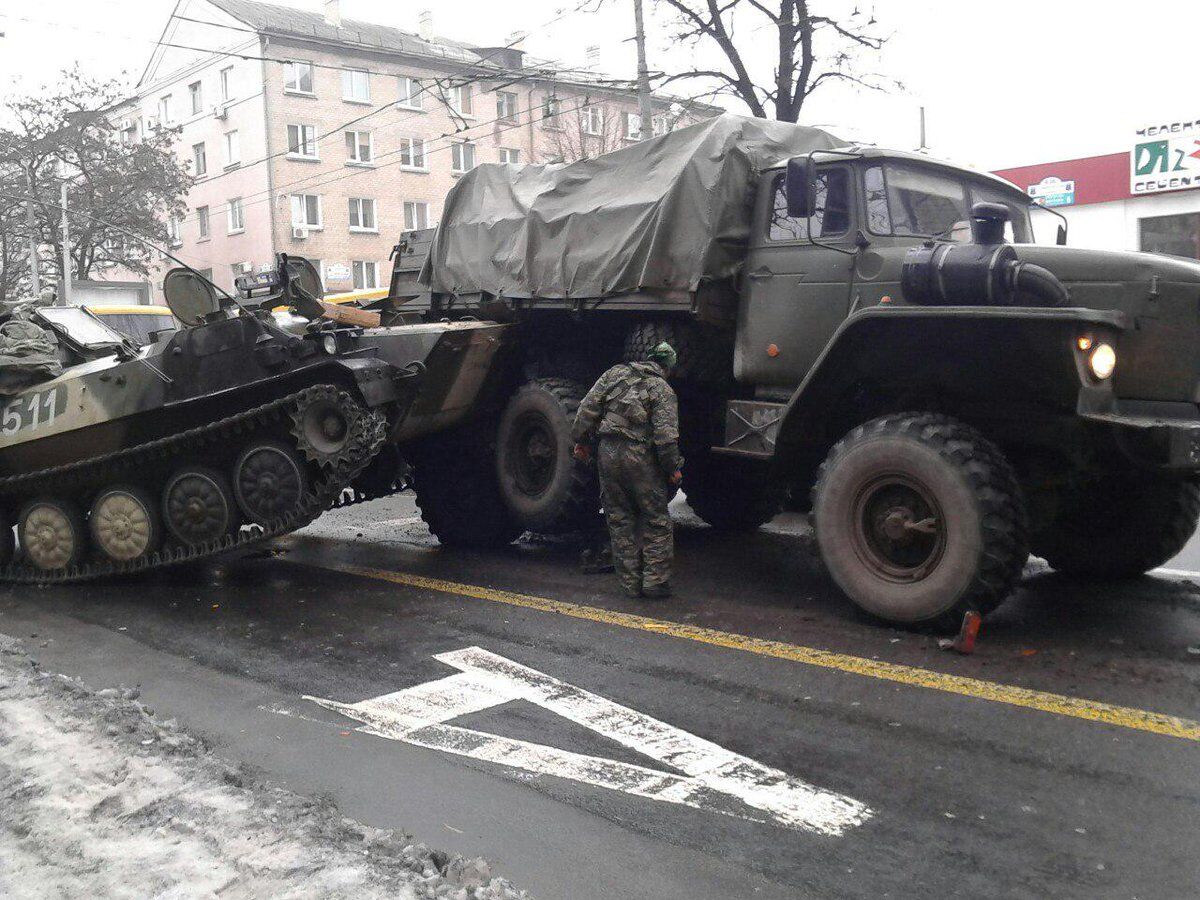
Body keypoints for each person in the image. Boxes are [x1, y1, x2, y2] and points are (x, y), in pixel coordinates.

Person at [571, 342, 683, 599]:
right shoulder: (662, 389)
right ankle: (655, 583)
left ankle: (630, 584)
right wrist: (672, 468)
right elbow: (666, 438)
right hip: (640, 458)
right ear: (667, 367)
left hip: (607, 454)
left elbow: (586, 410)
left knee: (619, 519)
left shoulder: (614, 374)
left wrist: (581, 442)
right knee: (655, 520)